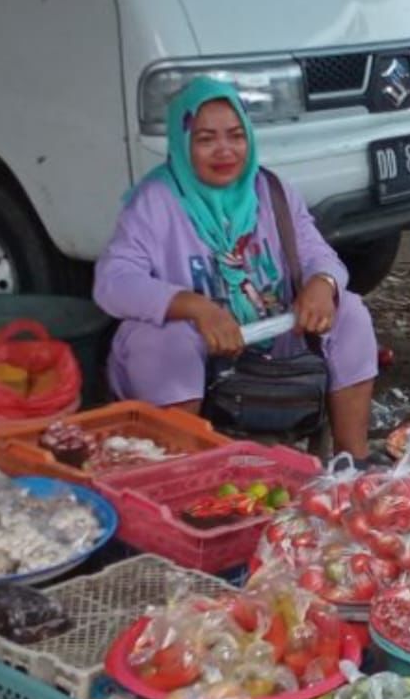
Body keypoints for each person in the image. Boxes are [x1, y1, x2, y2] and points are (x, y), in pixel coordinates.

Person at [94, 78, 378, 458]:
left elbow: (318, 253)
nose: (224, 151)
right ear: (183, 145)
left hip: (270, 338)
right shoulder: (155, 201)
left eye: (235, 135)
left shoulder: (271, 190)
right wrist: (194, 307)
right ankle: (182, 467)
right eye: (206, 139)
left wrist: (322, 284)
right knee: (161, 340)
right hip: (198, 351)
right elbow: (113, 282)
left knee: (352, 314)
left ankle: (351, 463)